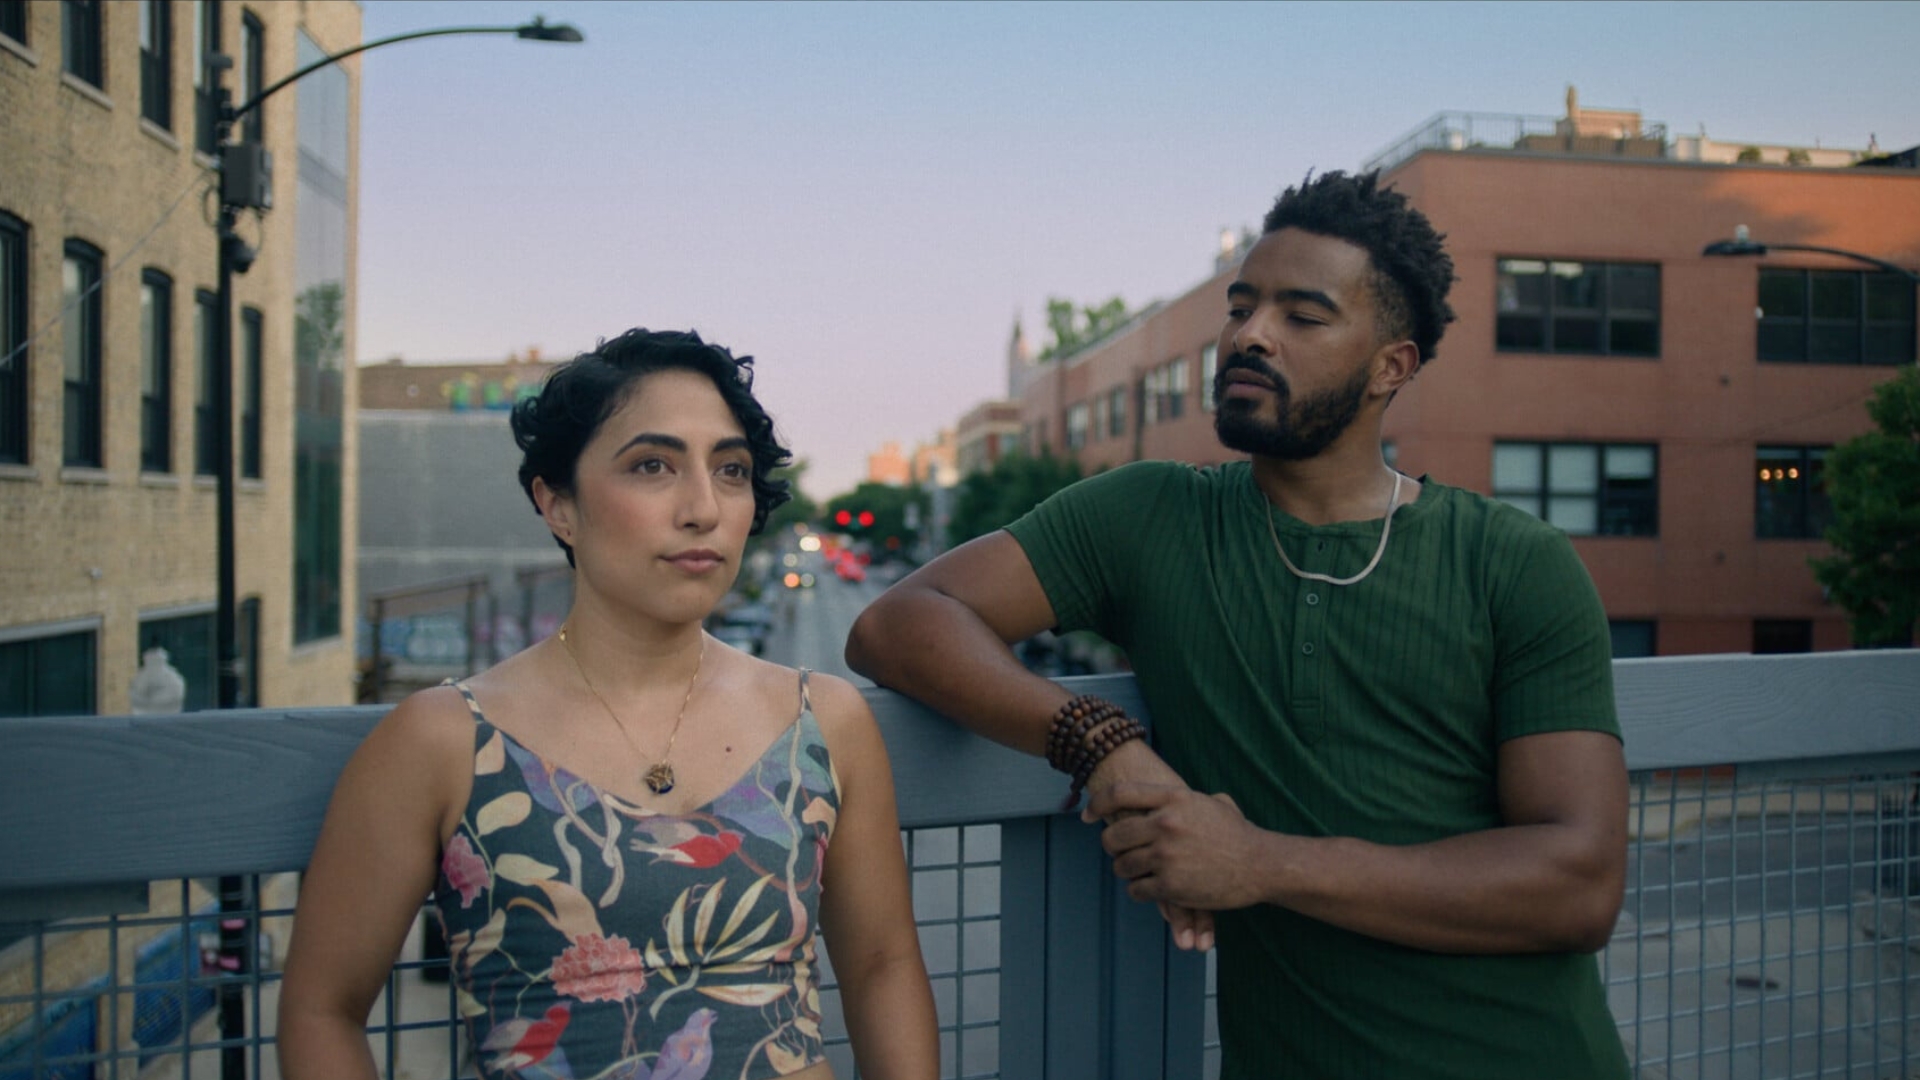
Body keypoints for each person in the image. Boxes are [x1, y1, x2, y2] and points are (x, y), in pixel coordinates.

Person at [846, 172, 1630, 1079]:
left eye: (1303, 315)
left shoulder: (1513, 561)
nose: (1250, 335)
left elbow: (1577, 886)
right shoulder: (1151, 517)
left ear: (1391, 368)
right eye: (1242, 307)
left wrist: (1259, 864)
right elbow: (896, 625)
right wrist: (1098, 742)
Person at [281, 329, 937, 1080]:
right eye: (653, 465)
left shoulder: (825, 720)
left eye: (731, 470)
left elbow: (883, 964)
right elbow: (321, 1009)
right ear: (557, 503)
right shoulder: (443, 739)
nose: (703, 507)